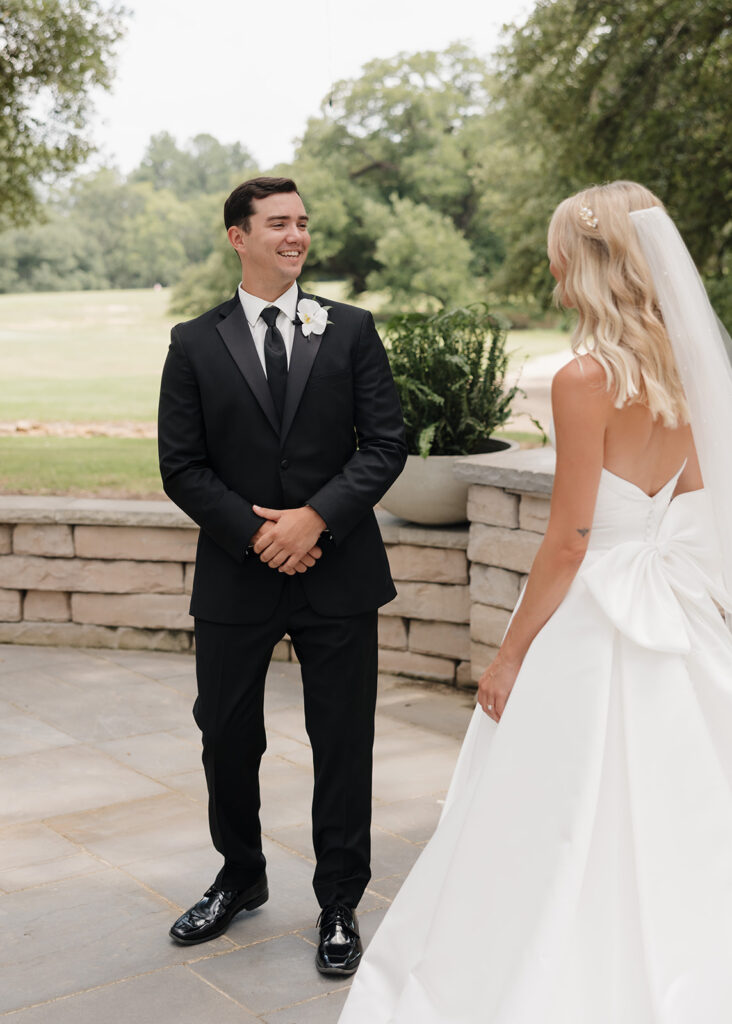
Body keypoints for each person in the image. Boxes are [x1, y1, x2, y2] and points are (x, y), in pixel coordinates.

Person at [337, 181, 732, 1022]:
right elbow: (697, 505)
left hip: (599, 619)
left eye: (559, 257)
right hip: (679, 610)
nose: (553, 276)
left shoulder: (584, 378)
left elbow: (570, 540)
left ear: (586, 265)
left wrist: (511, 654)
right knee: (683, 802)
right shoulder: (690, 367)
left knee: (556, 813)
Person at [157, 176, 407, 974]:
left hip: (339, 571)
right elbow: (181, 466)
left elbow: (384, 445)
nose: (296, 236)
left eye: (302, 223)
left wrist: (315, 520)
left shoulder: (353, 329)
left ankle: (340, 900)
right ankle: (240, 875)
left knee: (342, 739)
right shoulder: (194, 342)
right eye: (278, 224)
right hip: (238, 573)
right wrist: (258, 533)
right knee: (226, 735)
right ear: (239, 236)